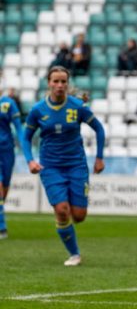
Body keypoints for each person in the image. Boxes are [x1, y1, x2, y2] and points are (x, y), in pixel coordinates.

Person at [21, 66, 106, 265]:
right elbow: (25, 138)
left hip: (76, 165)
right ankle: (75, 254)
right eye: (55, 81)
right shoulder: (38, 110)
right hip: (50, 167)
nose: (59, 85)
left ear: (67, 84)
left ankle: (67, 221)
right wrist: (30, 160)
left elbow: (99, 129)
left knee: (79, 216)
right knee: (61, 209)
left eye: (63, 82)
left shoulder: (78, 107)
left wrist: (100, 158)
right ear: (49, 83)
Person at [0, 91, 24, 239]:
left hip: (7, 151)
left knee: (5, 188)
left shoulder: (8, 103)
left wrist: (25, 149)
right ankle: (2, 227)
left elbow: (19, 128)